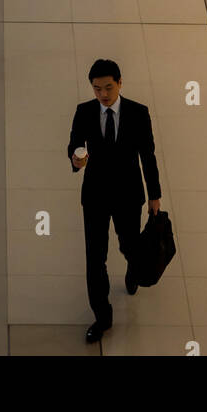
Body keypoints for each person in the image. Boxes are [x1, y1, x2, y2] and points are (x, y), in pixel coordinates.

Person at [68, 58, 161, 343]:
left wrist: (154, 195)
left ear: (120, 83)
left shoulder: (138, 113)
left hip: (128, 195)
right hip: (95, 195)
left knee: (130, 245)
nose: (103, 95)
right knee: (95, 258)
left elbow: (148, 155)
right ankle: (102, 316)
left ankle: (133, 271)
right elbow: (74, 144)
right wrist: (75, 159)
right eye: (97, 89)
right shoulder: (84, 112)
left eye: (108, 88)